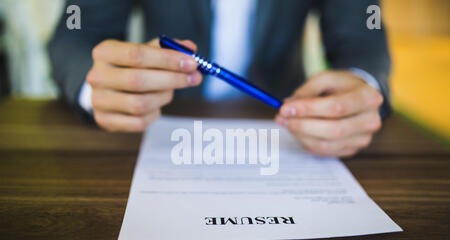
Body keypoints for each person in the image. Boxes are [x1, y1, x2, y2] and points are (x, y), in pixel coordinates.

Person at [49, 0, 391, 157]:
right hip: (159, 130)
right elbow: (76, 34)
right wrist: (94, 87)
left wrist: (362, 85)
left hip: (286, 132)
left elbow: (362, 38)